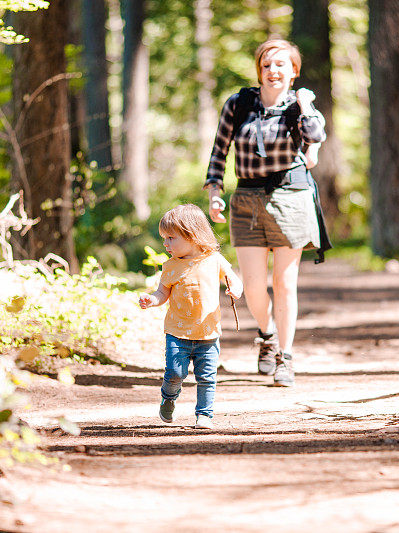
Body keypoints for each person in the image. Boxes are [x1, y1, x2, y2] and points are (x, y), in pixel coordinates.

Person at [203, 38, 327, 387]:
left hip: (292, 196)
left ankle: (285, 358)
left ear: (293, 71)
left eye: (281, 65)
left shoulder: (299, 106)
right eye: (267, 65)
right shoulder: (239, 104)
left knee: (284, 284)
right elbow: (219, 151)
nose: (273, 71)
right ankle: (267, 335)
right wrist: (215, 191)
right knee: (252, 286)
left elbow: (315, 135)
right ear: (259, 69)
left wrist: (303, 103)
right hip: (246, 199)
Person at [139, 204, 243, 429]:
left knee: (207, 377)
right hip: (177, 332)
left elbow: (233, 278)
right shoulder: (170, 267)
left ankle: (204, 415)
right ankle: (168, 397)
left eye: (170, 238)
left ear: (192, 235)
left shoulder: (214, 259)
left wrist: (235, 288)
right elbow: (162, 293)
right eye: (164, 238)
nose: (165, 243)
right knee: (175, 373)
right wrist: (152, 300)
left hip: (208, 332)